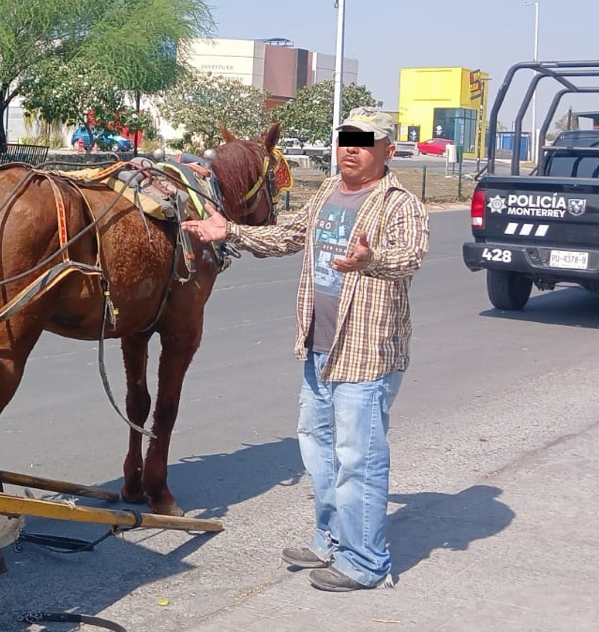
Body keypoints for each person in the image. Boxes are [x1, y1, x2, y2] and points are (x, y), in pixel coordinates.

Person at [181, 108, 429, 592]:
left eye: (364, 141)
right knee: (318, 450)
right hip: (318, 347)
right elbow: (286, 236)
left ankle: (366, 562)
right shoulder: (328, 194)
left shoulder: (400, 204)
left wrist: (371, 259)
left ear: (388, 151)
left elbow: (410, 255)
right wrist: (229, 231)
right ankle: (331, 537)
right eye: (345, 140)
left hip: (366, 352)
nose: (350, 149)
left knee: (359, 457)